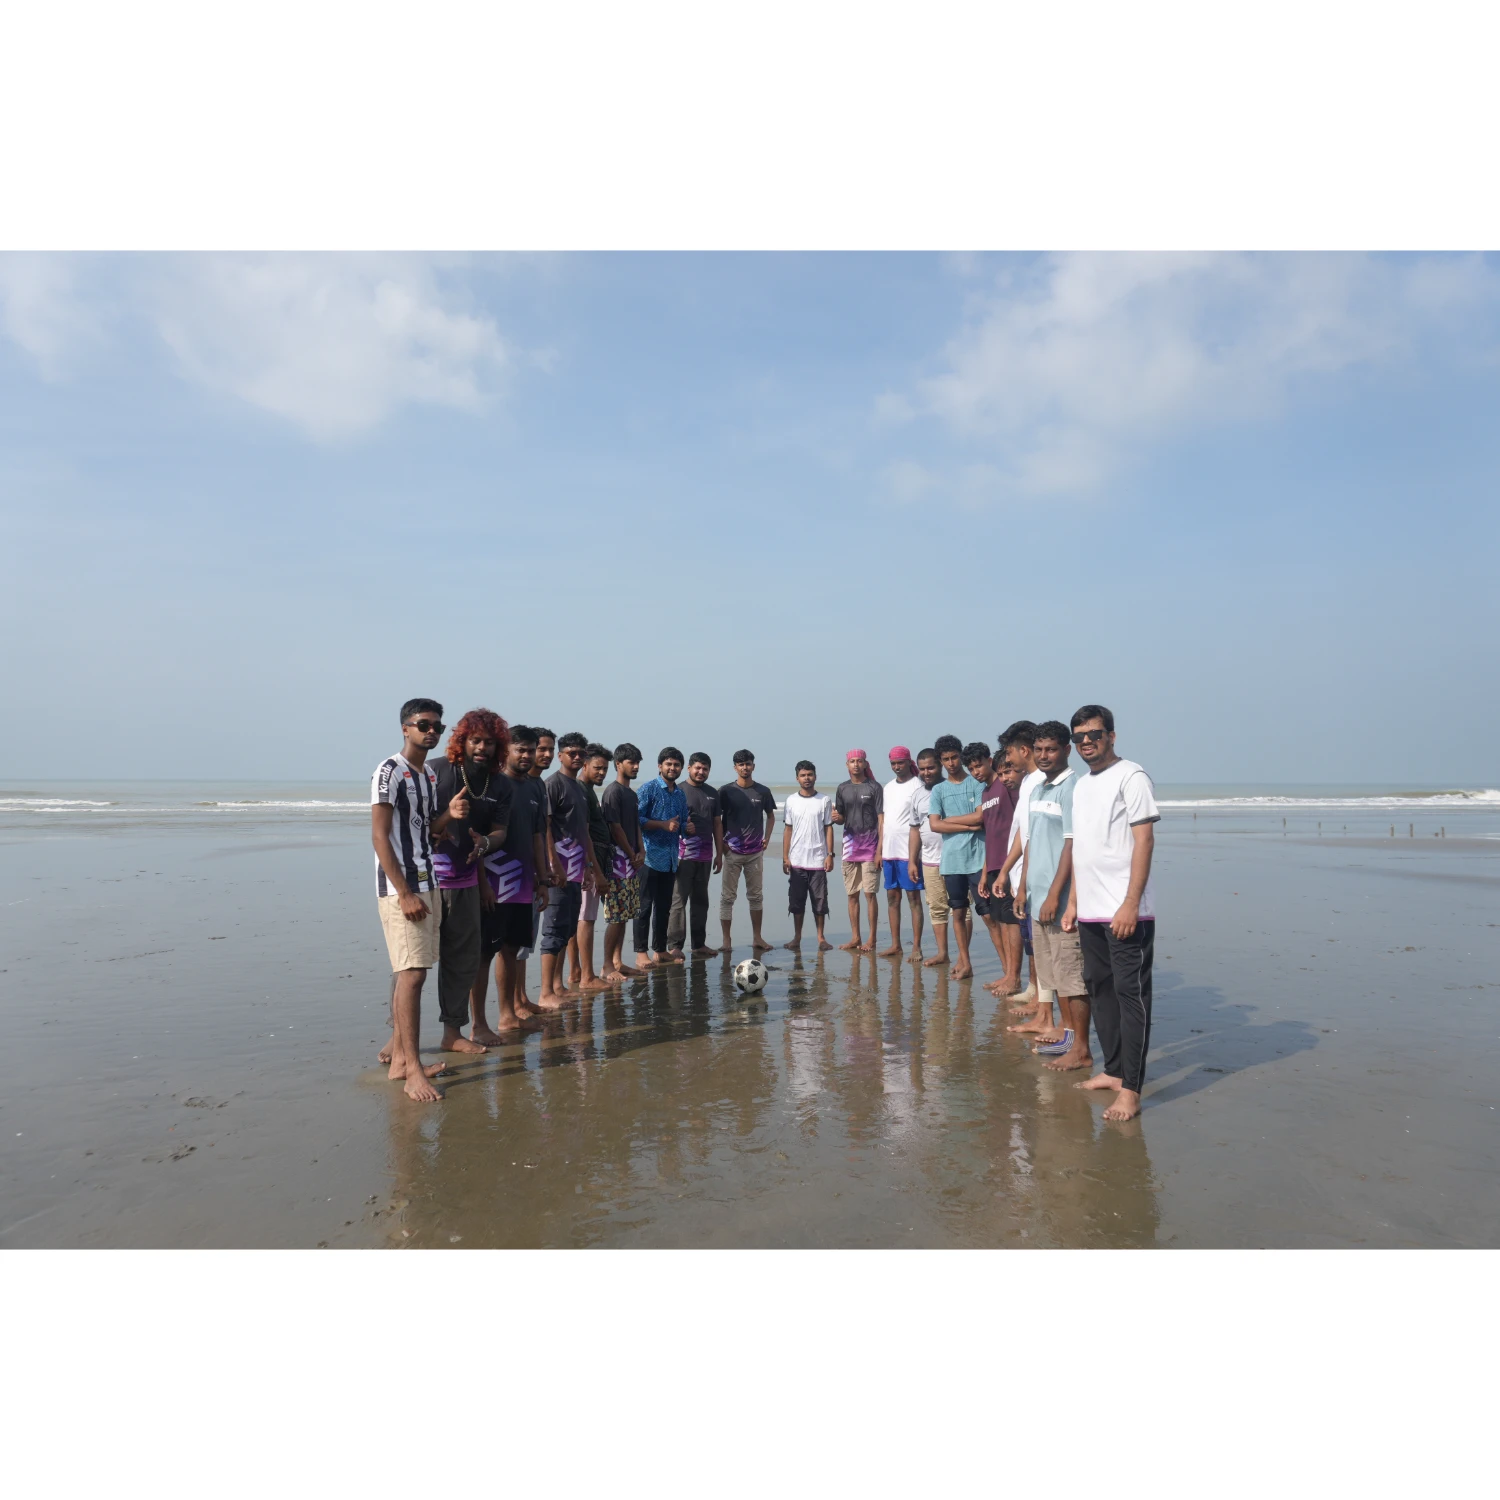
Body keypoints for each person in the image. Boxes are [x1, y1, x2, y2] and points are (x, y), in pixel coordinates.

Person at [1065, 704, 1159, 1123]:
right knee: (1100, 990)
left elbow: (1144, 841)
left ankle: (1132, 1090)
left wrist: (1130, 903)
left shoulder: (1131, 776)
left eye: (1095, 734)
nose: (1087, 742)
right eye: (1079, 737)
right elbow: (1082, 848)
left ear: (1112, 736)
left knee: (1130, 996)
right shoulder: (1082, 785)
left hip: (1126, 911)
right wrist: (1073, 902)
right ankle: (1114, 1070)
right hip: (1090, 911)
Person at [371, 698, 452, 1103]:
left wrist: (450, 817)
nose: (432, 731)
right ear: (405, 727)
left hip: (429, 879)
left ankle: (402, 1060)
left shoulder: (429, 775)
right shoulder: (390, 771)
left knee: (418, 971)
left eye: (438, 725)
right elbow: (379, 836)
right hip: (402, 886)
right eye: (424, 724)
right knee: (412, 974)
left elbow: (428, 830)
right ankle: (412, 1071)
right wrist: (403, 893)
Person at [431, 708, 513, 1054]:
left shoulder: (500, 784)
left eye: (489, 743)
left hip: (465, 882)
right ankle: (398, 1038)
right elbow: (414, 827)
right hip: (428, 881)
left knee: (462, 962)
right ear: (462, 741)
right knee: (412, 965)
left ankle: (453, 1033)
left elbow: (499, 832)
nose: (482, 748)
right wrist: (447, 816)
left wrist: (485, 844)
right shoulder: (435, 771)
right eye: (475, 740)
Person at [1014, 720, 1091, 1070]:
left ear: (1066, 750)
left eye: (1051, 749)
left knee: (1071, 976)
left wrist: (1055, 895)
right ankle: (1066, 1034)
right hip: (1037, 897)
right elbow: (1031, 843)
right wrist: (1023, 887)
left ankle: (1079, 1045)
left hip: (1060, 903)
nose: (1044, 756)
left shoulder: (1072, 788)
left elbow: (1072, 846)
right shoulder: (1038, 789)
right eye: (1039, 750)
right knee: (1052, 974)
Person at [472, 725, 550, 1039]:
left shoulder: (534, 788)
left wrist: (543, 879)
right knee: (484, 954)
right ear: (507, 751)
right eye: (521, 750)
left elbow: (537, 836)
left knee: (512, 949)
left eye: (531, 750)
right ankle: (478, 1024)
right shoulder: (491, 784)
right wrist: (482, 884)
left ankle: (508, 1016)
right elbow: (477, 837)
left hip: (523, 884)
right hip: (493, 883)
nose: (527, 756)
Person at [538, 731, 605, 1008]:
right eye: (571, 753)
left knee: (566, 929)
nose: (577, 757)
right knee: (553, 930)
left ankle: (558, 986)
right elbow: (545, 828)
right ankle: (546, 992)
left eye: (581, 753)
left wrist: (589, 867)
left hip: (577, 870)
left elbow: (584, 832)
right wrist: (554, 865)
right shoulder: (552, 785)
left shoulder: (579, 788)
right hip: (558, 872)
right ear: (561, 756)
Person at [925, 736, 987, 980]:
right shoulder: (939, 790)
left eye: (954, 757)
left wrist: (949, 821)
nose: (951, 763)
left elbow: (980, 817)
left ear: (961, 755)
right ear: (940, 761)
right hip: (952, 861)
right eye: (945, 759)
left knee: (988, 914)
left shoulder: (976, 783)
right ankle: (965, 962)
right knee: (958, 913)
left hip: (978, 858)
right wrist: (968, 825)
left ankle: (1007, 970)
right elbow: (934, 825)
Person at [996, 721, 1043, 1009]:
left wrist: (1022, 882)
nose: (1008, 759)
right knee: (1031, 940)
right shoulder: (1027, 782)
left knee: (1041, 941)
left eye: (1009, 753)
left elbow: (1034, 839)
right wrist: (1005, 870)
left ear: (1023, 750)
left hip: (1036, 876)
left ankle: (1041, 999)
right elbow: (1021, 833)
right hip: (1020, 875)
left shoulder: (1041, 782)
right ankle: (1033, 988)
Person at [962, 741, 1018, 987]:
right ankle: (1008, 974)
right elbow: (991, 835)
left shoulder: (1005, 786)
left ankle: (1014, 978)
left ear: (990, 761)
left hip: (1011, 864)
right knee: (1001, 920)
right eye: (971, 768)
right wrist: (985, 874)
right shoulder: (985, 793)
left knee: (1012, 921)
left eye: (979, 765)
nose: (976, 772)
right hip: (993, 864)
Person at [717, 749, 777, 954]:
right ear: (735, 767)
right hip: (731, 852)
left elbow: (771, 816)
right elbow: (716, 819)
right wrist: (722, 845)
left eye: (748, 764)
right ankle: (726, 940)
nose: (745, 767)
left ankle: (757, 937)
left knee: (756, 896)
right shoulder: (726, 791)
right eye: (741, 764)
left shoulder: (762, 791)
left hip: (755, 853)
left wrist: (767, 837)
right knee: (727, 898)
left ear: (753, 766)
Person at [634, 747, 689, 967]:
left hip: (670, 859)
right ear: (660, 766)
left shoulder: (680, 794)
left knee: (664, 907)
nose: (672, 768)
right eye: (668, 764)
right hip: (649, 857)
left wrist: (687, 828)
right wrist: (662, 825)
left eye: (676, 765)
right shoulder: (648, 789)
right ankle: (640, 953)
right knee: (644, 907)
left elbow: (682, 823)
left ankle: (659, 950)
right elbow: (636, 819)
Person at [573, 743, 619, 989]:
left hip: (593, 859)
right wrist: (592, 868)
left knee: (580, 917)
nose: (602, 773)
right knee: (586, 917)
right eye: (597, 768)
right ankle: (587, 976)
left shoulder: (587, 790)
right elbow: (583, 833)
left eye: (605, 769)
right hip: (589, 863)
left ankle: (576, 972)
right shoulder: (581, 790)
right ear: (584, 765)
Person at [667, 752, 721, 959]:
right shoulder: (678, 790)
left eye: (705, 769)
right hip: (682, 856)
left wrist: (719, 854)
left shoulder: (712, 793)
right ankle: (674, 946)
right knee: (678, 901)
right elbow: (669, 821)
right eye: (697, 768)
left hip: (705, 857)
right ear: (689, 768)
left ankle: (699, 945)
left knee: (701, 901)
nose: (701, 772)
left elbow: (717, 824)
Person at [601, 743, 646, 981]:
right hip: (617, 862)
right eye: (631, 762)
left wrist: (641, 850)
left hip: (632, 862)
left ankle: (618, 961)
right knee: (615, 915)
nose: (635, 766)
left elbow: (635, 825)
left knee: (626, 913)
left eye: (637, 762)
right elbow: (615, 828)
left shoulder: (632, 794)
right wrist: (630, 853)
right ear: (618, 764)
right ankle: (607, 965)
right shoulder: (613, 792)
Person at [878, 746, 927, 964]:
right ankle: (895, 944)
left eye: (900, 762)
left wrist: (916, 856)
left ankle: (916, 946)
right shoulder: (887, 788)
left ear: (909, 762)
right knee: (891, 897)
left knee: (913, 898)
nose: (897, 767)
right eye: (893, 763)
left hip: (909, 852)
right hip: (889, 851)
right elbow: (884, 821)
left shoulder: (918, 785)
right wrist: (879, 849)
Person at [832, 749, 883, 953]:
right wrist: (837, 819)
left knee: (870, 894)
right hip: (850, 848)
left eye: (859, 761)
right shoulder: (842, 788)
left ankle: (872, 938)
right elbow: (841, 817)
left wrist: (880, 850)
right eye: (852, 761)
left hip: (870, 847)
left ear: (865, 764)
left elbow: (881, 819)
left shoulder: (874, 787)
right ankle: (855, 937)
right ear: (847, 765)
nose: (855, 764)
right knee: (852, 894)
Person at [782, 761, 833, 951]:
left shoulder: (824, 800)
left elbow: (828, 828)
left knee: (820, 901)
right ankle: (797, 938)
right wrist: (785, 857)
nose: (807, 778)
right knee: (797, 901)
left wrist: (830, 854)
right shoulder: (791, 801)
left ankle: (821, 937)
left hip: (818, 860)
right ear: (797, 778)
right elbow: (788, 829)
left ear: (815, 776)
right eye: (803, 775)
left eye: (810, 774)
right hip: (797, 860)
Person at [905, 749, 949, 967]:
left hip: (956, 859)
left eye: (930, 768)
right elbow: (915, 829)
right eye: (922, 769)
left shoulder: (951, 789)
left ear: (940, 765)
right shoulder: (917, 795)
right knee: (936, 908)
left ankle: (964, 957)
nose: (926, 773)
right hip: (929, 860)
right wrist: (912, 860)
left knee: (963, 910)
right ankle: (943, 953)